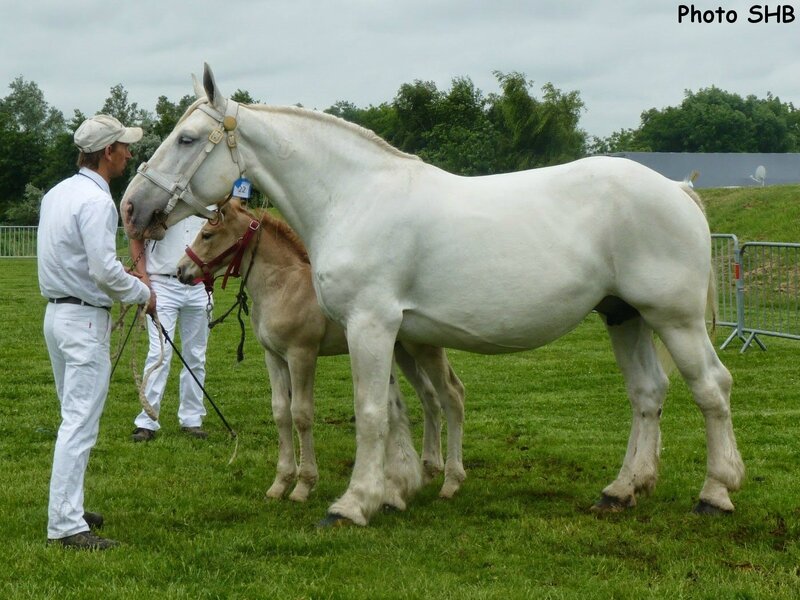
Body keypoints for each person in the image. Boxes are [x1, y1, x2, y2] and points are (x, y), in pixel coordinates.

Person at [38, 114, 155, 550]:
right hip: (83, 320)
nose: (129, 153)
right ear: (107, 152)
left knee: (74, 417)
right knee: (79, 422)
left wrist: (114, 282)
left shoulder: (57, 194)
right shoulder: (96, 202)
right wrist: (142, 291)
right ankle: (67, 526)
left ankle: (69, 507)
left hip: (59, 316)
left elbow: (80, 263)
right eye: (124, 146)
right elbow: (104, 270)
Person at [128, 213, 212, 442]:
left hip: (198, 286)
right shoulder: (160, 198)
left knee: (196, 355)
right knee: (159, 353)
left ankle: (192, 419)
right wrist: (144, 282)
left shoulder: (212, 198)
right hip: (162, 283)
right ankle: (147, 420)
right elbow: (135, 235)